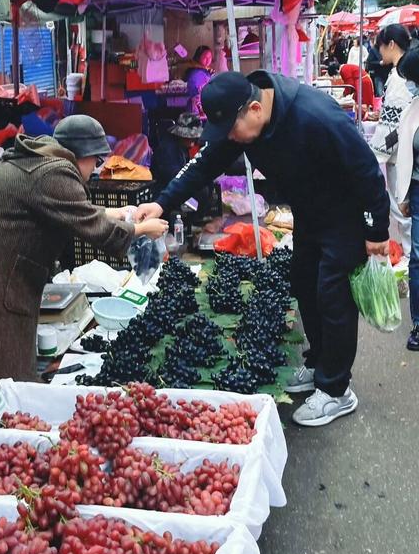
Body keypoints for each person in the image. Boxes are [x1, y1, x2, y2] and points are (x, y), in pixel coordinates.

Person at [136, 70, 390, 428]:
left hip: (344, 216)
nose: (229, 138)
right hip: (309, 214)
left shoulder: (316, 116)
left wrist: (377, 228)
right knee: (303, 282)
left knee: (332, 295)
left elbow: (365, 168)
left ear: (255, 109)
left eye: (231, 130)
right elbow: (203, 164)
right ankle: (319, 363)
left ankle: (336, 390)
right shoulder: (242, 122)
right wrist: (161, 204)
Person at [0, 115, 168, 384]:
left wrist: (114, 213)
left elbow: (68, 210)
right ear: (82, 154)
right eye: (96, 162)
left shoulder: (39, 161)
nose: (95, 170)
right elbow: (94, 229)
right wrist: (142, 229)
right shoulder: (55, 172)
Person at [370, 24, 413, 254]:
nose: (379, 51)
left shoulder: (399, 77)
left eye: (381, 46)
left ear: (392, 45)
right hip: (407, 150)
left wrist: (374, 153)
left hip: (401, 155)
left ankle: (411, 256)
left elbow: (391, 126)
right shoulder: (405, 72)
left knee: (402, 209)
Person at [390, 48, 419, 352]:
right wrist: (404, 195)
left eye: (412, 79)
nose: (410, 85)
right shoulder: (414, 108)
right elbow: (406, 155)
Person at [151, 113, 202, 194]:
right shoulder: (167, 150)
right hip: (164, 193)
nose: (193, 142)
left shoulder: (182, 146)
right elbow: (174, 179)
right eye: (190, 138)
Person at [185, 46, 214, 117]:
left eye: (210, 57)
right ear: (198, 57)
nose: (208, 60)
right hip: (197, 109)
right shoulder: (196, 73)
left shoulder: (206, 71)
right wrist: (201, 110)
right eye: (205, 57)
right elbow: (196, 94)